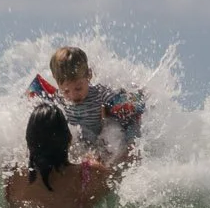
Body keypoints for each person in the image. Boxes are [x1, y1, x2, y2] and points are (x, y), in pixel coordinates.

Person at [24, 46, 145, 182]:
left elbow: (124, 101)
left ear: (89, 75)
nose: (73, 95)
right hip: (73, 144)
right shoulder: (58, 99)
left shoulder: (99, 93)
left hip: (97, 142)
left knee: (108, 155)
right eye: (66, 91)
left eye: (78, 88)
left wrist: (133, 101)